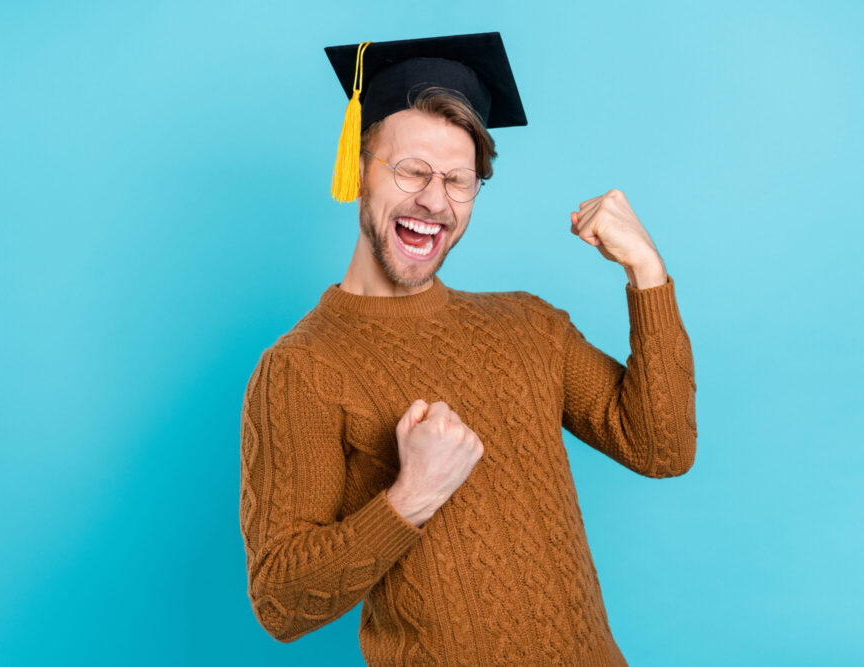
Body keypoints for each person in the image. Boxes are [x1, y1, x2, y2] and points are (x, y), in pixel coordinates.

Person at [238, 31, 698, 665]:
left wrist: (646, 271)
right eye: (411, 171)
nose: (435, 201)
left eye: (459, 181)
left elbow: (662, 447)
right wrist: (411, 496)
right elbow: (280, 605)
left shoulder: (529, 325)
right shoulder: (300, 369)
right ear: (359, 168)